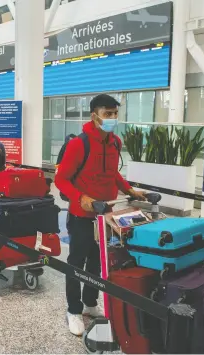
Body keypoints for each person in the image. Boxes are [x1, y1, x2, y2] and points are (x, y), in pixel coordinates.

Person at [55, 94, 147, 336]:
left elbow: (113, 174)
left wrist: (129, 190)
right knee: (77, 262)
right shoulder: (79, 144)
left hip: (106, 214)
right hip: (81, 214)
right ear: (94, 115)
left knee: (98, 261)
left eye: (115, 114)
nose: (112, 118)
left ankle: (90, 303)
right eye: (108, 114)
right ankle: (73, 310)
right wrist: (82, 199)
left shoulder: (115, 142)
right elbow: (61, 179)